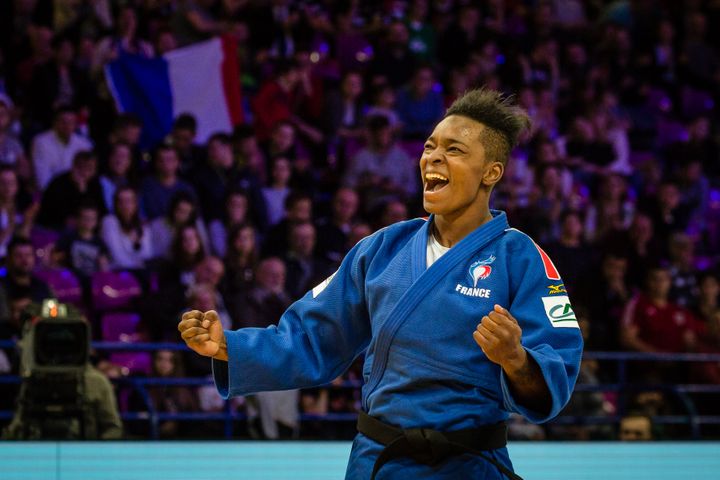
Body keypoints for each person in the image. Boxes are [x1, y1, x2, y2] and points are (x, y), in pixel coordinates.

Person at [179, 89, 583, 479]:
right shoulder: (382, 249)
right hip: (381, 462)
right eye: (429, 147)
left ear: (491, 172)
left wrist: (516, 359)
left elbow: (556, 367)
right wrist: (230, 346)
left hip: (468, 464)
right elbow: (310, 337)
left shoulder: (521, 258)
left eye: (454, 150)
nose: (433, 158)